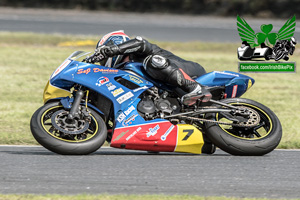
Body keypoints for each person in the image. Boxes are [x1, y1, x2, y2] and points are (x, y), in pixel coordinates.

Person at [86, 30, 211, 106]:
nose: (103, 61)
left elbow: (140, 42)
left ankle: (194, 88)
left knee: (152, 61)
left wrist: (112, 50)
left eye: (103, 57)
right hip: (173, 94)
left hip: (190, 71)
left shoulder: (137, 52)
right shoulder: (125, 71)